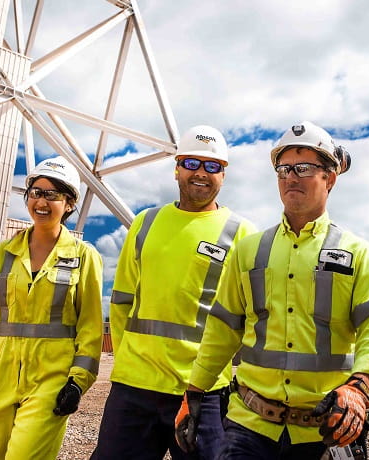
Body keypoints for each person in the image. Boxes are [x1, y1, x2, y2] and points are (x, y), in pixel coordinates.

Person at [175, 121, 369, 459]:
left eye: (304, 168)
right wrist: (193, 393)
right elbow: (222, 328)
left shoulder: (357, 254)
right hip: (249, 426)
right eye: (284, 169)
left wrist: (359, 388)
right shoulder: (249, 251)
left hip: (324, 431)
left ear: (330, 178)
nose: (291, 176)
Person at [91, 125, 257, 460]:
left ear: (223, 175)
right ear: (177, 167)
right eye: (192, 163)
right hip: (134, 387)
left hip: (201, 391)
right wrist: (127, 361)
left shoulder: (242, 235)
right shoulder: (145, 223)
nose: (201, 173)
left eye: (212, 166)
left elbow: (250, 319)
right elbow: (122, 301)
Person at [0, 156, 104, 459]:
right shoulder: (5, 253)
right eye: (35, 192)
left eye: (52, 194)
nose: (41, 201)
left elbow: (90, 326)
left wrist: (77, 383)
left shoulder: (84, 257)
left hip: (51, 376)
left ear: (69, 203)